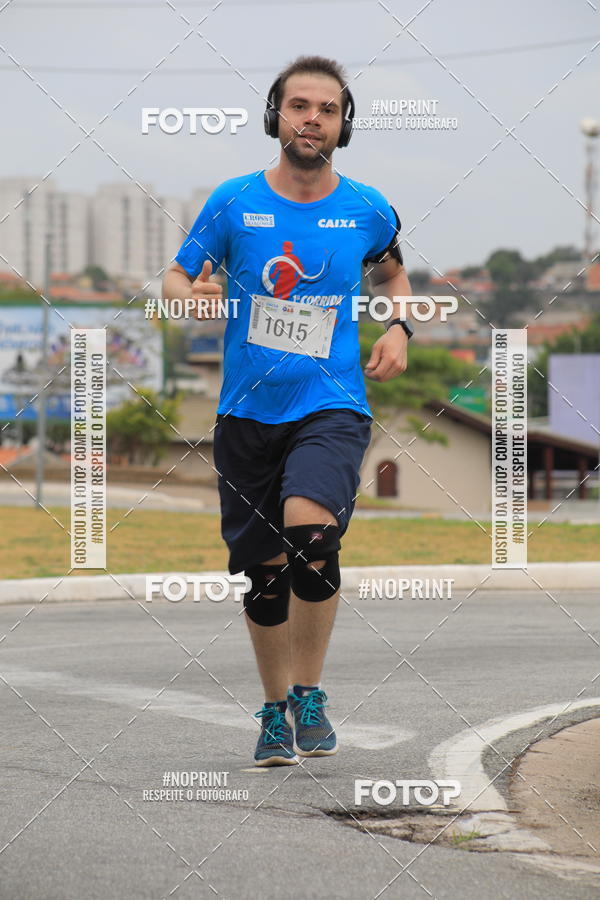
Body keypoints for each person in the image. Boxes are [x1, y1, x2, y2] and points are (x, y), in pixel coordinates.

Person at [162, 55, 413, 766]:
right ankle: (275, 709)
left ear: (343, 125)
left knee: (311, 534)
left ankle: (310, 691)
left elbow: (393, 272)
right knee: (263, 572)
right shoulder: (235, 201)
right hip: (246, 412)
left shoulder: (367, 207)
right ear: (276, 116)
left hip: (330, 402)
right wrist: (186, 298)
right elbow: (179, 274)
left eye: (327, 109)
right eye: (299, 105)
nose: (312, 118)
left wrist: (399, 327)